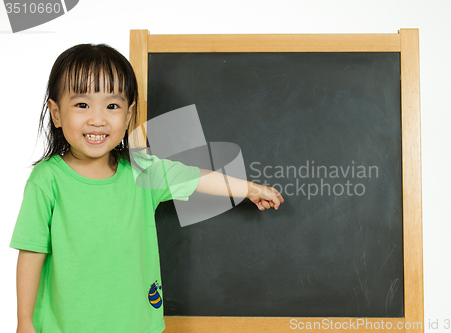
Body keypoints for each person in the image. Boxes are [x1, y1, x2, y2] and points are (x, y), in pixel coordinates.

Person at [10, 43, 284, 333]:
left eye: (112, 106)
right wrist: (25, 322)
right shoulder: (47, 180)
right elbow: (31, 253)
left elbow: (196, 178)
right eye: (82, 104)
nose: (98, 119)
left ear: (128, 115)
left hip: (135, 325)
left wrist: (250, 189)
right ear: (56, 113)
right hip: (64, 326)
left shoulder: (143, 172)